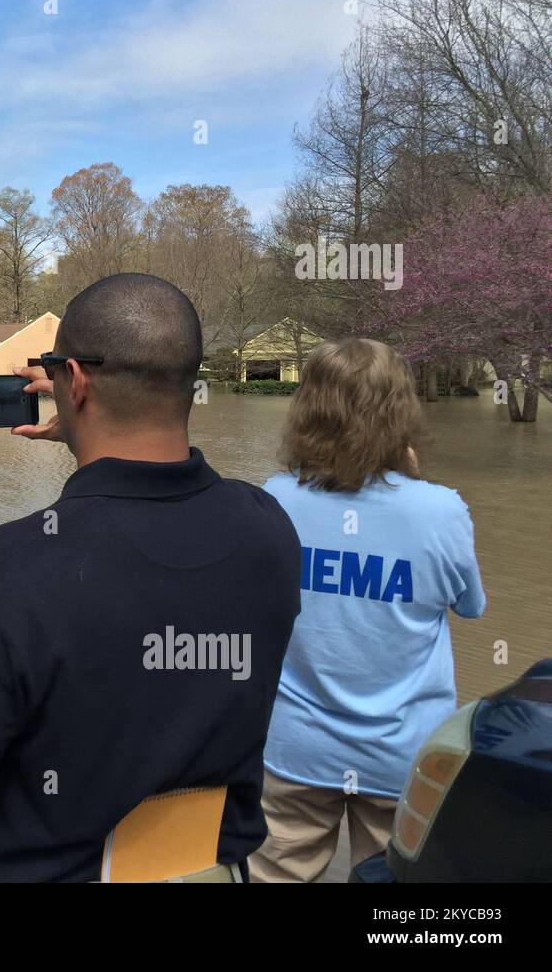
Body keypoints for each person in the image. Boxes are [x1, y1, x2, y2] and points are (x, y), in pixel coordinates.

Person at [0, 273, 302, 883]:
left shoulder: (2, 569)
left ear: (74, 380)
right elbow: (165, 524)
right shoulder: (269, 529)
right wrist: (86, 421)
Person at [247, 338, 486, 883]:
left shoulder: (273, 500)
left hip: (292, 751)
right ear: (401, 413)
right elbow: (471, 606)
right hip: (402, 756)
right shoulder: (440, 510)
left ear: (305, 411)